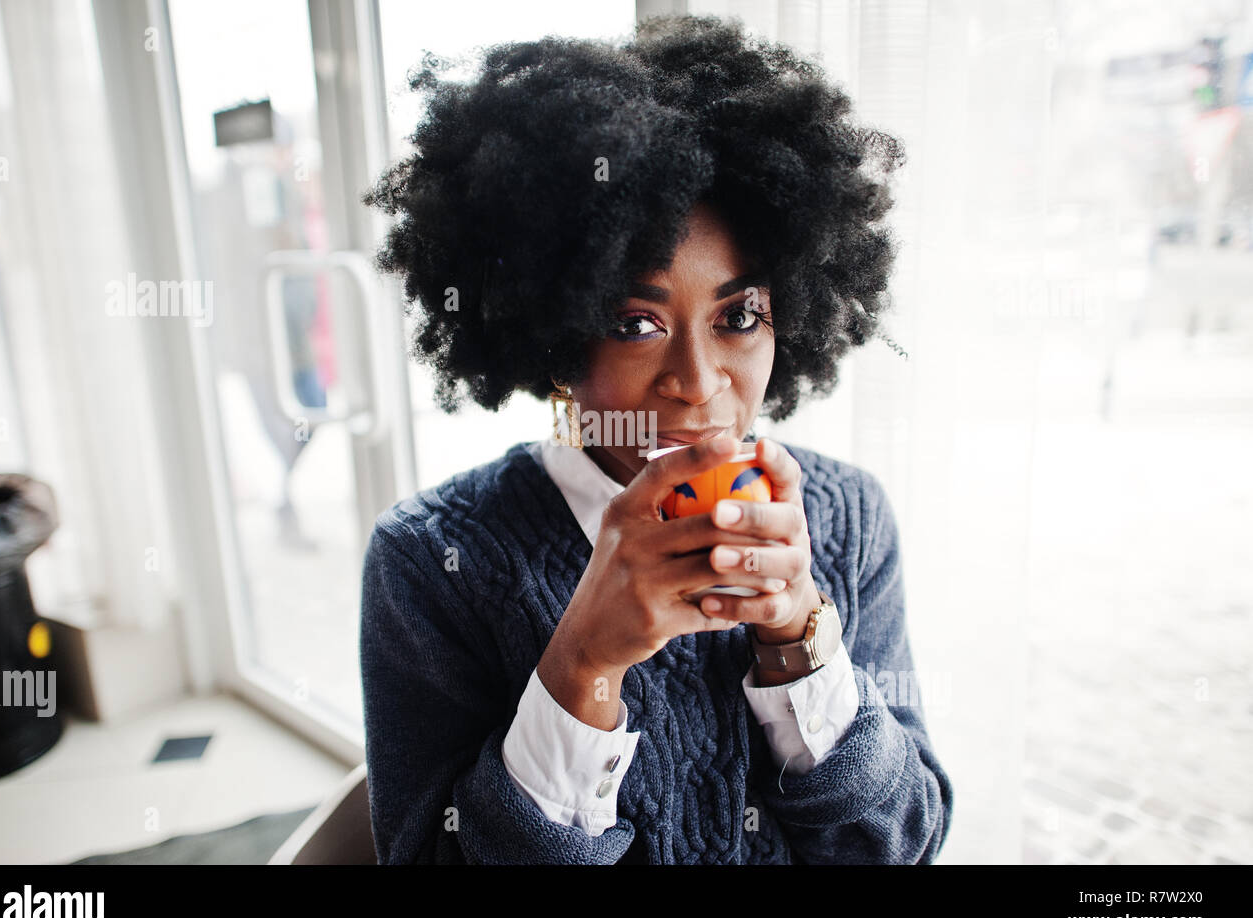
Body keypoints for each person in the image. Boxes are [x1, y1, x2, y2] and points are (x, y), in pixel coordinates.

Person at [358, 14, 952, 864]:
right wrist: (582, 663)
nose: (699, 381)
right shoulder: (432, 560)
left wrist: (800, 640)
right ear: (554, 334)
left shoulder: (847, 516)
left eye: (739, 316)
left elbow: (900, 845)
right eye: (635, 322)